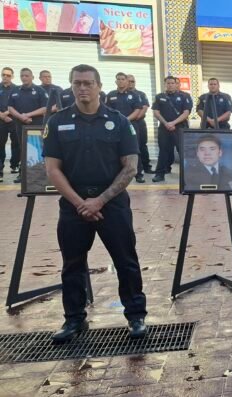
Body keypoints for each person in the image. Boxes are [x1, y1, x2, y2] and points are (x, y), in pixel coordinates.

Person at [43, 64, 147, 342]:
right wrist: (81, 203)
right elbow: (53, 169)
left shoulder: (119, 121)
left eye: (88, 83)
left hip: (111, 203)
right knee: (72, 265)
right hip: (74, 204)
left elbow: (130, 167)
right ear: (71, 86)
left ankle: (136, 316)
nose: (82, 88)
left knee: (126, 262)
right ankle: (74, 320)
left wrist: (99, 201)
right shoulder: (57, 122)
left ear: (99, 86)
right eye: (77, 83)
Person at [7, 68, 48, 183]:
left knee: (36, 149)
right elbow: (10, 107)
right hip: (20, 125)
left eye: (26, 75)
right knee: (22, 149)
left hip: (36, 126)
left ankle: (38, 174)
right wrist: (21, 117)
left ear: (32, 77)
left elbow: (45, 108)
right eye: (22, 76)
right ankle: (22, 174)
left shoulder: (39, 90)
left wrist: (27, 115)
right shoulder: (15, 90)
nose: (24, 78)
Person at [151, 76, 193, 182]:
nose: (170, 85)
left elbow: (186, 112)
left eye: (172, 83)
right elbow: (156, 112)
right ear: (165, 84)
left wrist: (173, 123)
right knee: (163, 151)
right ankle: (160, 174)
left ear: (176, 84)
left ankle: (187, 175)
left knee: (183, 151)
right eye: (168, 83)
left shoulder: (184, 96)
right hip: (164, 128)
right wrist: (166, 123)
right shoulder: (159, 97)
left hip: (180, 128)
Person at [105, 73, 144, 182]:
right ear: (115, 81)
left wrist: (125, 121)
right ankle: (116, 173)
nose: (121, 81)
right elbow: (107, 110)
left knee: (134, 149)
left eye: (123, 79)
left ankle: (139, 174)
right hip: (115, 127)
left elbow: (137, 110)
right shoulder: (110, 95)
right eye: (119, 79)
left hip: (131, 125)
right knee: (114, 149)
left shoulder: (134, 95)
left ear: (127, 81)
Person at [127, 74, 153, 181]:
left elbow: (144, 108)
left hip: (138, 123)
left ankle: (146, 167)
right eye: (129, 81)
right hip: (125, 124)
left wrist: (135, 117)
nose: (130, 83)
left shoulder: (141, 94)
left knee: (142, 145)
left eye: (132, 81)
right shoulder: (118, 94)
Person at [0, 67, 17, 182]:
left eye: (8, 75)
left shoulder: (17, 89)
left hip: (14, 120)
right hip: (0, 121)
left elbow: (19, 103)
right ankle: (0, 170)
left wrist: (6, 113)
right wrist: (1, 115)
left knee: (16, 144)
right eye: (3, 75)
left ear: (12, 76)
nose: (5, 77)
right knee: (0, 144)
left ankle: (14, 165)